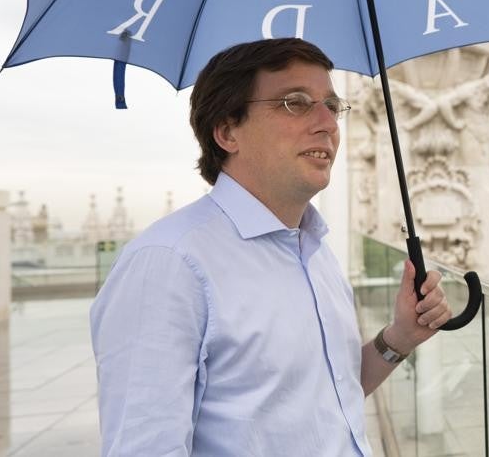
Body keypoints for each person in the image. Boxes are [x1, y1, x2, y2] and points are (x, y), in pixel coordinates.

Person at [90, 38, 450, 456]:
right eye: (295, 103)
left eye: (332, 106)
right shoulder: (169, 264)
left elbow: (332, 395)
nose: (327, 124)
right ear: (227, 131)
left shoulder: (315, 250)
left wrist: (399, 338)